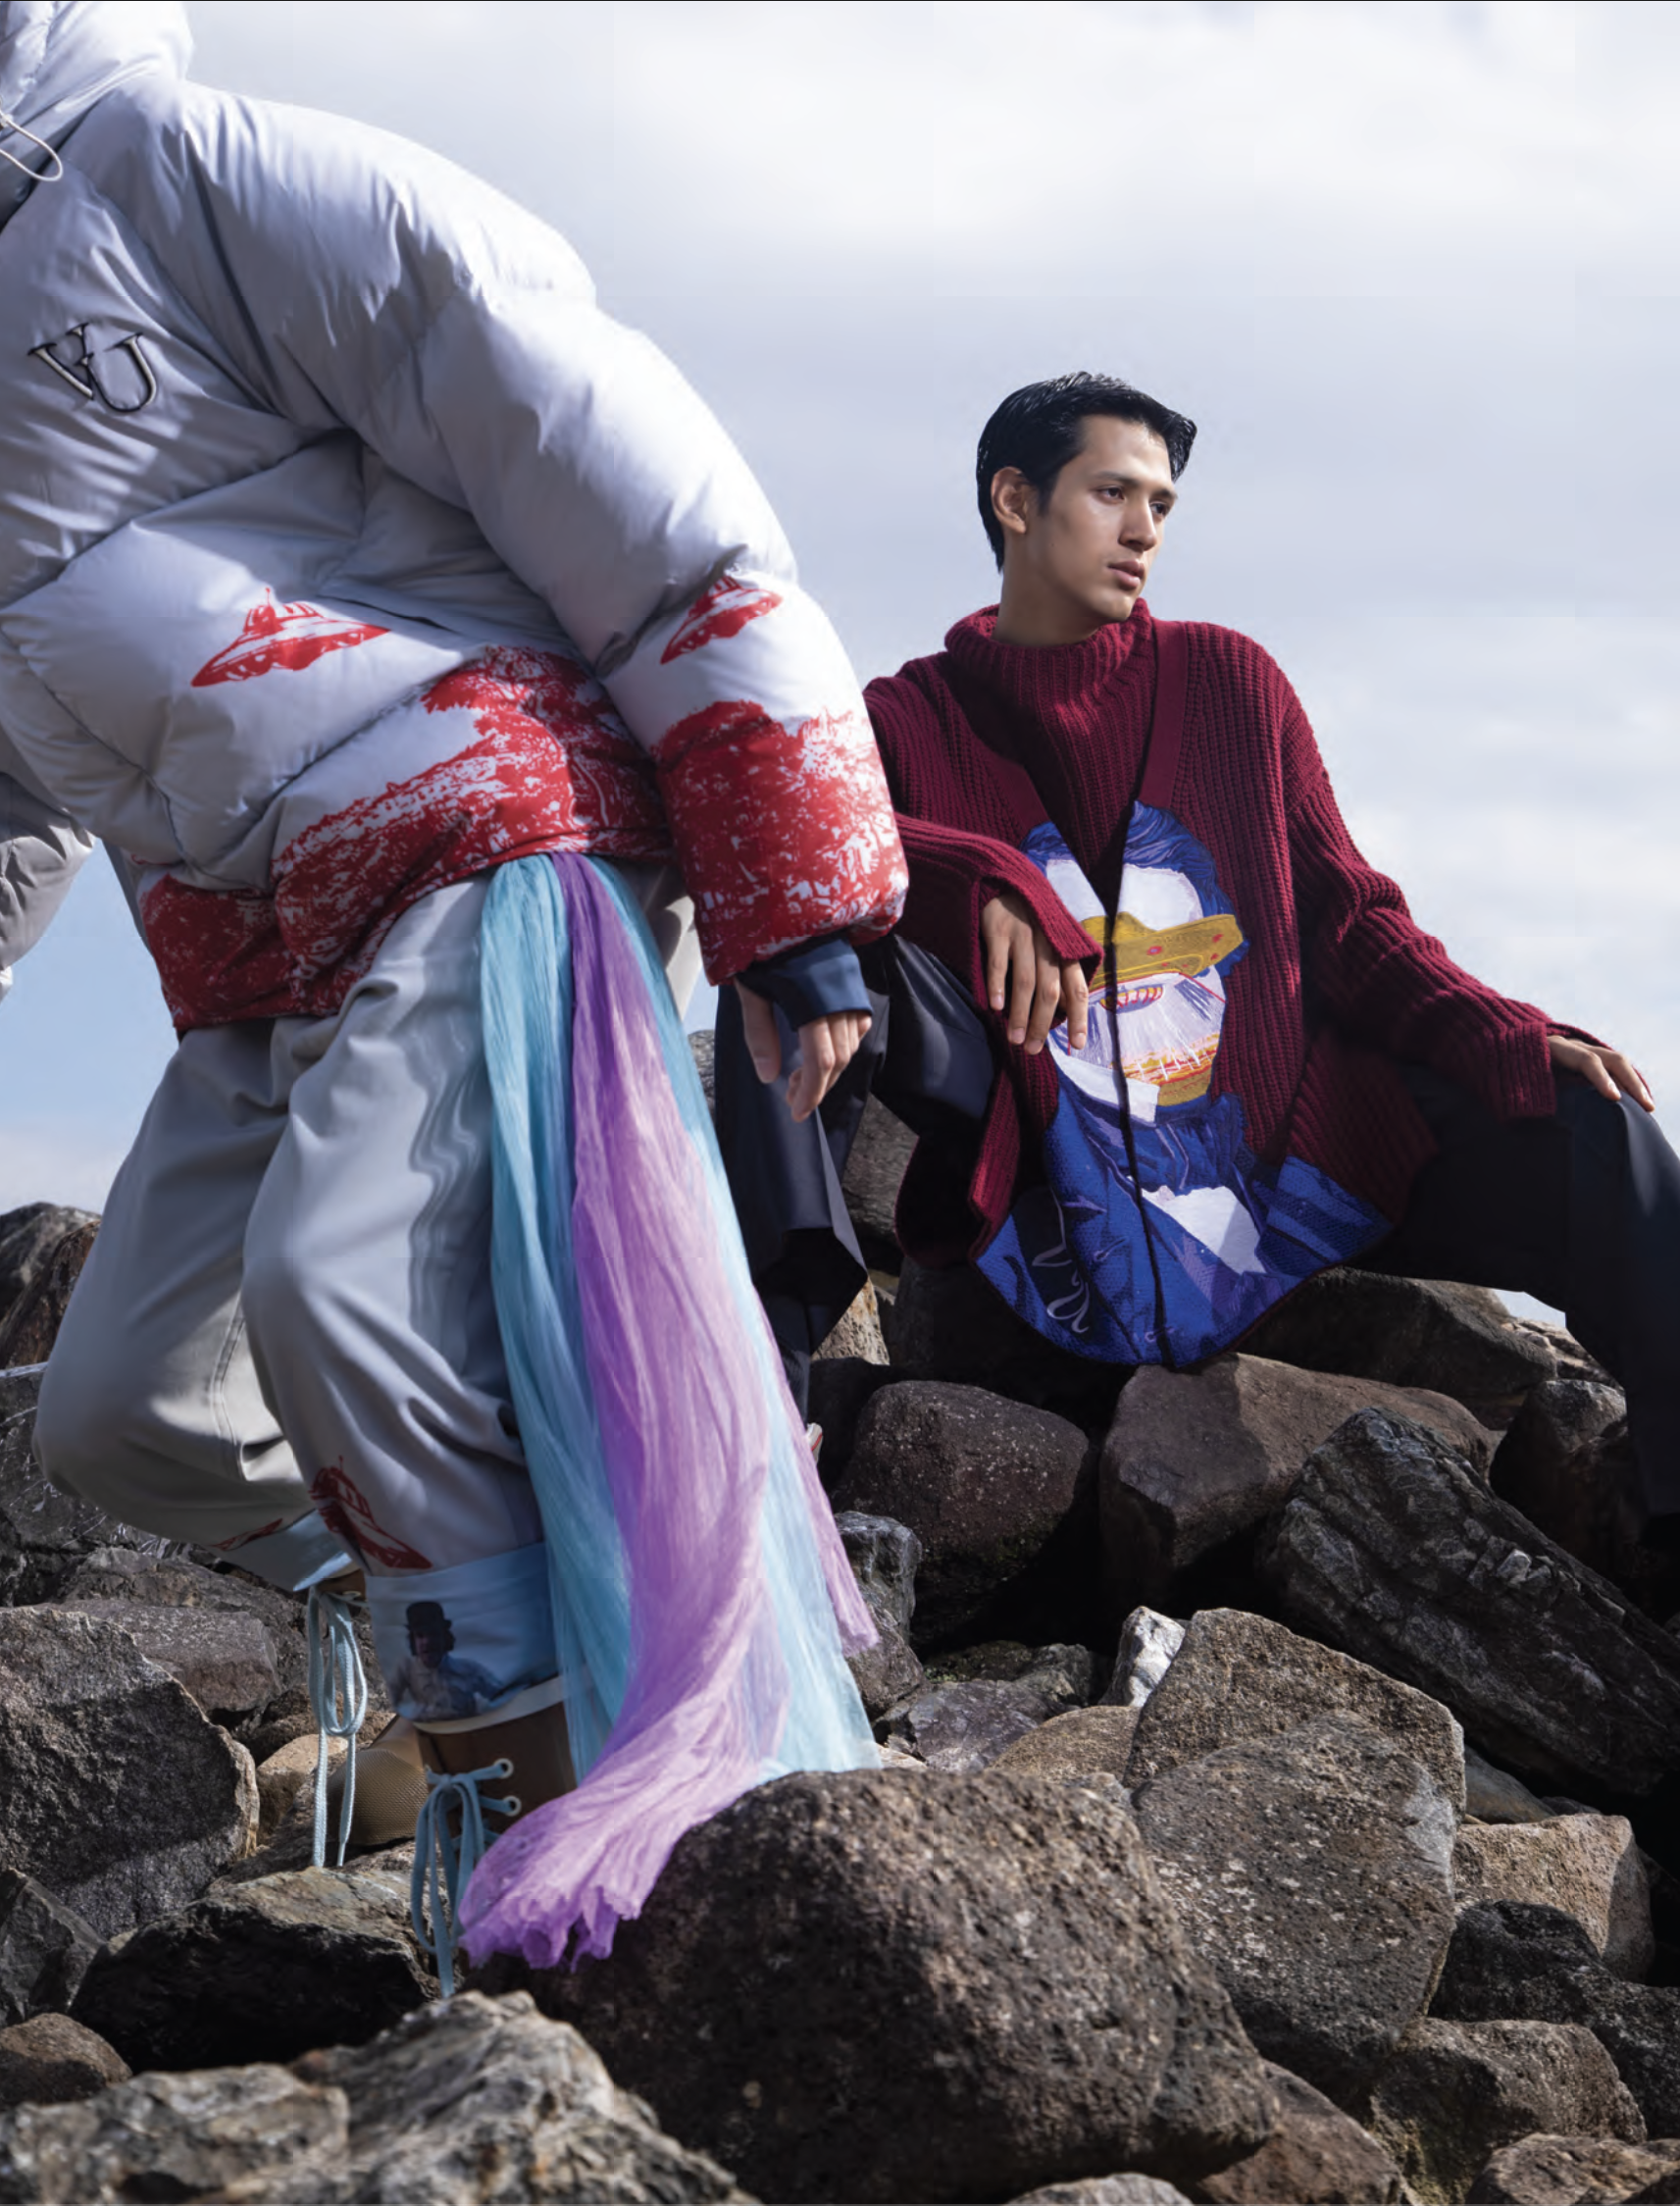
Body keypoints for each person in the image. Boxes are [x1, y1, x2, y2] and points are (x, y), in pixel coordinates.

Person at [0, 0, 901, 1975]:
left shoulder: (177, 176)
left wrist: (787, 868)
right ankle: (518, 1589)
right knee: (125, 1409)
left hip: (485, 816)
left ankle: (564, 1876)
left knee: (335, 1293)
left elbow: (596, 441)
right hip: (258, 938)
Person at [718, 369, 1680, 1544]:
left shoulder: (1234, 686)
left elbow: (1350, 920)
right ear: (1015, 499)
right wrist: (979, 875)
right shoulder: (910, 720)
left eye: (1162, 505)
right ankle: (755, 1383)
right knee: (797, 944)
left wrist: (1502, 1031)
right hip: (1037, 1131)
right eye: (1112, 492)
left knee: (1594, 1121)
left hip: (1271, 1150)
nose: (1144, 531)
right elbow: (778, 828)